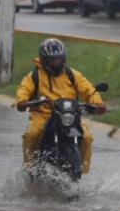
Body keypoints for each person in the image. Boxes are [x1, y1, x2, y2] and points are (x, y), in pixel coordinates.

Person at [15, 38, 106, 174]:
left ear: (64, 58)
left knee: (86, 138)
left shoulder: (72, 75)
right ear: (44, 59)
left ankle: (83, 172)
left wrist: (98, 103)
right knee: (31, 135)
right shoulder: (34, 76)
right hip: (43, 116)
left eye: (58, 59)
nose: (56, 63)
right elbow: (23, 91)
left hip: (69, 116)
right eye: (52, 60)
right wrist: (23, 101)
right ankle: (29, 168)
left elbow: (88, 90)